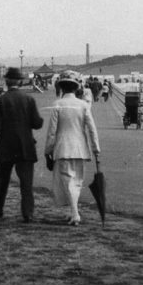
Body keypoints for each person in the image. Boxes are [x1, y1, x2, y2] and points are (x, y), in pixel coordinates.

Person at [0, 67, 44, 222]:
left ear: (7, 82)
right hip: (25, 146)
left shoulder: (1, 100)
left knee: (2, 179)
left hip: (6, 147)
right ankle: (27, 213)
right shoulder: (29, 99)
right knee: (26, 182)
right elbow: (37, 123)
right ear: (20, 82)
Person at [44, 71, 101, 226]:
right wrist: (96, 149)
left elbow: (52, 132)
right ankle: (73, 212)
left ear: (62, 87)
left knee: (68, 181)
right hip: (80, 149)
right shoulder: (83, 105)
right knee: (76, 181)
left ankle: (75, 214)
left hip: (62, 148)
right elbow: (92, 129)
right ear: (76, 88)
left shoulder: (57, 104)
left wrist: (48, 151)